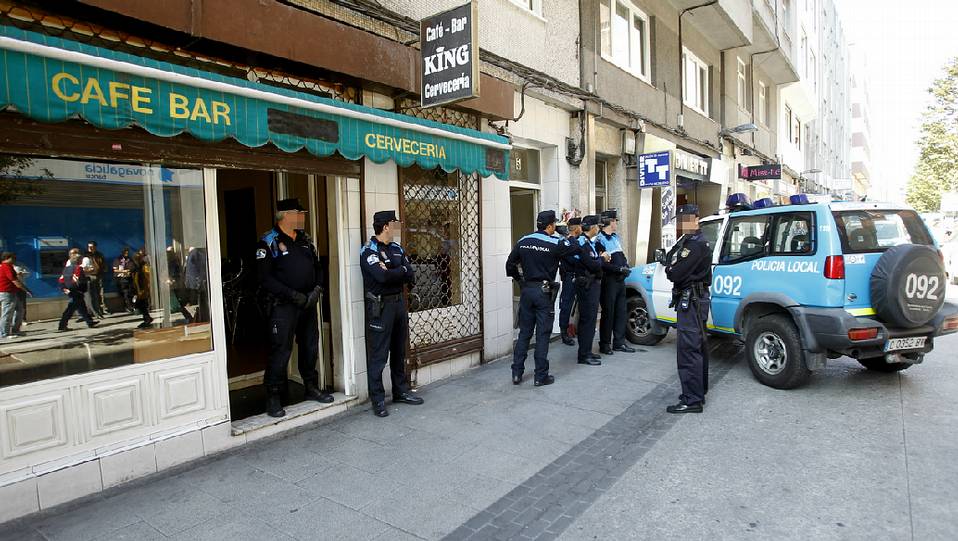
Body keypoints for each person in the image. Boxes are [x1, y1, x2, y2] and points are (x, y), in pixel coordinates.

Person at [257, 198, 334, 418]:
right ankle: (273, 396)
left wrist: (317, 290)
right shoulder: (268, 242)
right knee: (281, 350)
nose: (303, 218)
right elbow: (265, 279)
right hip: (283, 306)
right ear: (286, 215)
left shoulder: (305, 240)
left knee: (310, 346)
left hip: (308, 304)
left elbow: (318, 267)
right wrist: (292, 295)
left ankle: (310, 387)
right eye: (299, 214)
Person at [360, 210, 422, 418]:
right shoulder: (369, 251)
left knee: (399, 351)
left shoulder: (396, 248)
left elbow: (410, 274)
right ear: (386, 226)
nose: (398, 225)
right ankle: (377, 399)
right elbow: (381, 277)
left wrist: (393, 271)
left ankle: (400, 391)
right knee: (379, 355)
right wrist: (398, 272)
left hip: (398, 305)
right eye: (395, 222)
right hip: (381, 308)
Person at [506, 210, 577, 386]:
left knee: (524, 334)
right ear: (551, 226)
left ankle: (516, 373)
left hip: (527, 291)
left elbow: (510, 265)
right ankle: (540, 376)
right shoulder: (556, 242)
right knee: (543, 335)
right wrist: (565, 235)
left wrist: (521, 281)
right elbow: (574, 249)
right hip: (544, 292)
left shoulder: (524, 240)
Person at [664, 204, 713, 414]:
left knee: (688, 349)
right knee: (697, 346)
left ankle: (692, 400)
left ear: (695, 219)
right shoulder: (689, 241)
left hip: (691, 300)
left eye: (685, 219)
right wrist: (671, 265)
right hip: (693, 299)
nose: (681, 224)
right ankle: (698, 390)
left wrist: (671, 268)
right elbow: (670, 259)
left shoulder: (695, 245)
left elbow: (674, 273)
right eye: (680, 220)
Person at [594, 209, 636, 355]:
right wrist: (618, 269)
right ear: (609, 222)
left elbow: (621, 255)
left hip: (619, 280)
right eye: (615, 220)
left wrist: (625, 266)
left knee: (621, 312)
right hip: (609, 280)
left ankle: (619, 342)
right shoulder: (599, 240)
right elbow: (603, 263)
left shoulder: (616, 237)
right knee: (608, 313)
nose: (616, 223)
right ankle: (605, 344)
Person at [574, 215, 610, 365]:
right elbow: (592, 265)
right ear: (592, 227)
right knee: (587, 320)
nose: (599, 228)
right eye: (597, 226)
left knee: (589, 320)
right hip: (587, 286)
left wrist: (600, 259)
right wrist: (602, 259)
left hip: (592, 285)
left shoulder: (589, 243)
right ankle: (584, 355)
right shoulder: (582, 243)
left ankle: (587, 351)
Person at [57, 248, 99, 332]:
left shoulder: (66, 269)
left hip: (70, 290)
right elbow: (78, 280)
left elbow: (61, 280)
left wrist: (64, 289)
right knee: (70, 309)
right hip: (76, 291)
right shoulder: (78, 268)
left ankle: (89, 322)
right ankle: (62, 325)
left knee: (82, 307)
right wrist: (81, 289)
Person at [558, 217, 583, 346]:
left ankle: (574, 329)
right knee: (566, 305)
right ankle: (564, 333)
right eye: (580, 226)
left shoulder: (576, 241)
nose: (581, 228)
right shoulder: (566, 242)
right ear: (576, 228)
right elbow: (573, 259)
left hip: (577, 276)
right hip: (569, 277)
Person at [0, 252, 27, 339]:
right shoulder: (6, 267)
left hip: (13, 292)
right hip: (7, 293)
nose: (15, 260)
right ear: (7, 258)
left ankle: (15, 330)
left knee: (20, 310)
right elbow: (14, 280)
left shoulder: (9, 267)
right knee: (7, 313)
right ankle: (4, 333)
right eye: (13, 258)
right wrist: (26, 290)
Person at [131, 248, 154, 329]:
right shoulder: (137, 267)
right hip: (139, 289)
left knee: (142, 304)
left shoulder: (142, 267)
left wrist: (143, 289)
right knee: (141, 304)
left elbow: (145, 278)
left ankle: (147, 319)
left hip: (141, 289)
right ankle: (147, 318)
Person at [83, 241, 107, 319]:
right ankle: (92, 312)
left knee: (100, 293)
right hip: (89, 276)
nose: (90, 248)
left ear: (95, 247)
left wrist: (102, 270)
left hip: (98, 275)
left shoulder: (99, 255)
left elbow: (103, 264)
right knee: (92, 295)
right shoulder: (85, 255)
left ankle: (101, 309)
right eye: (89, 247)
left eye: (92, 247)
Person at [11, 259, 31, 336]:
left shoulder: (19, 266)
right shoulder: (4, 267)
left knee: (22, 305)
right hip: (12, 289)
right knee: (11, 307)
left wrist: (22, 274)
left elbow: (28, 273)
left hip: (21, 287)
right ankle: (9, 328)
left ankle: (23, 319)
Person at [112, 248, 135, 313]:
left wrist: (129, 271)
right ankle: (127, 307)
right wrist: (124, 271)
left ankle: (130, 306)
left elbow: (133, 267)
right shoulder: (118, 259)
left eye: (127, 252)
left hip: (129, 278)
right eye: (125, 252)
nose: (126, 254)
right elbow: (115, 269)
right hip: (120, 279)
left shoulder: (130, 259)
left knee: (130, 293)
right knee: (124, 293)